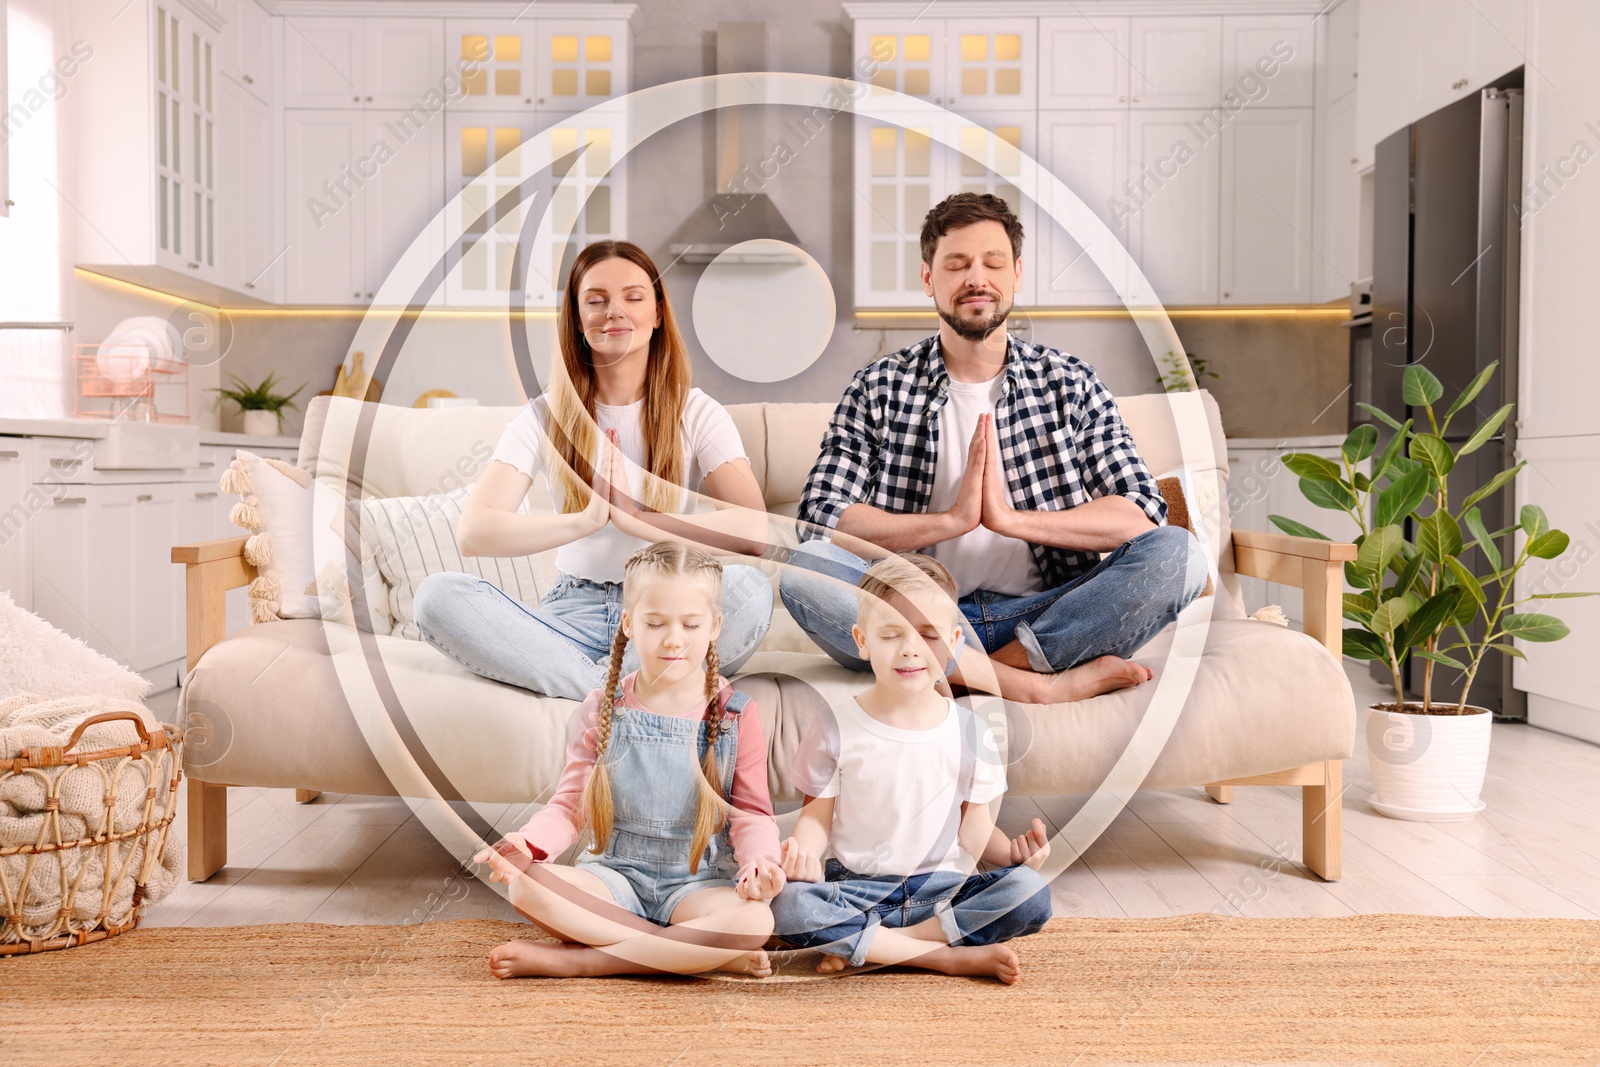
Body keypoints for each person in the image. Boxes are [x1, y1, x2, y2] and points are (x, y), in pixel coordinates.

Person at [781, 192, 1208, 705]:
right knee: (806, 566)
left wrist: (1009, 519)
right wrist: (951, 521)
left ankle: (966, 672)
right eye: (956, 265)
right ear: (928, 279)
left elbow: (1141, 514)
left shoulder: (1068, 382)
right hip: (910, 618)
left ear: (1016, 274)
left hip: (1042, 616)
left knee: (1179, 555)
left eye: (992, 262)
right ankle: (1032, 686)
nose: (975, 278)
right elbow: (822, 520)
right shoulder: (879, 386)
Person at [414, 240, 773, 700]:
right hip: (571, 617)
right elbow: (475, 532)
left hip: (667, 611)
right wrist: (587, 520)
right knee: (438, 597)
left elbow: (755, 528)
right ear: (578, 319)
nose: (614, 311)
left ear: (659, 313)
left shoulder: (697, 412)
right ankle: (624, 690)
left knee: (751, 590)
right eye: (596, 300)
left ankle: (595, 688)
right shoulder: (544, 416)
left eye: (634, 297)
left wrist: (638, 520)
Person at [477, 542, 787, 979]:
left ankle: (590, 961)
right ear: (628, 623)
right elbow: (569, 806)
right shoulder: (602, 706)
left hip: (696, 887)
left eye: (691, 624)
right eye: (655, 623)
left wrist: (762, 865)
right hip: (612, 879)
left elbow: (752, 816)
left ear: (715, 626)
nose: (674, 639)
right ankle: (693, 953)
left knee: (755, 920)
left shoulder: (736, 713)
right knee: (526, 886)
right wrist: (528, 844)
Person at [771, 554, 1053, 984]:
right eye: (890, 634)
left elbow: (973, 831)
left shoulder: (974, 733)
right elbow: (816, 818)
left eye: (929, 635)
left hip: (941, 890)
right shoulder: (834, 725)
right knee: (787, 905)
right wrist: (802, 855)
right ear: (861, 641)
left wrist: (1015, 856)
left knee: (1029, 892)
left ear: (955, 642)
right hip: (857, 890)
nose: (911, 649)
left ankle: (880, 947)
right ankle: (941, 956)